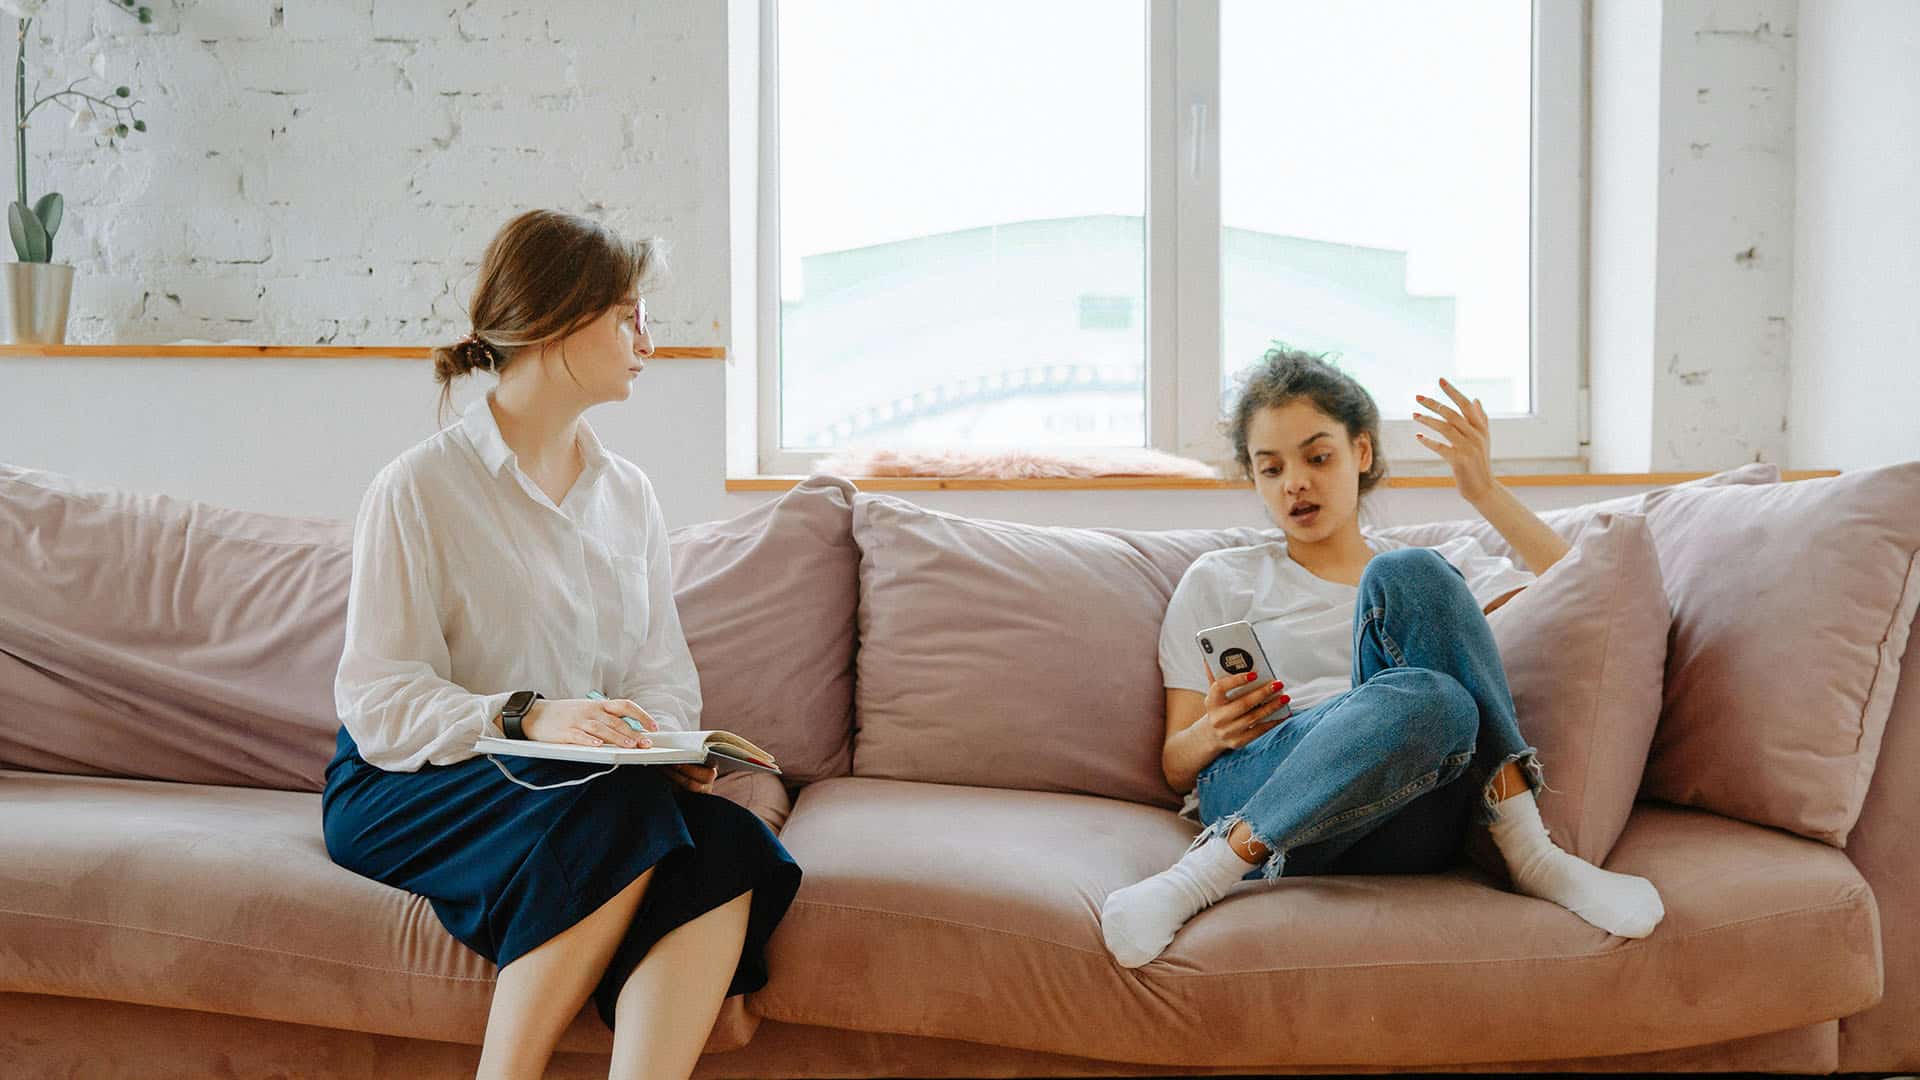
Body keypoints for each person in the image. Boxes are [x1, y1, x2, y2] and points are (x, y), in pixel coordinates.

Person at [320, 209, 800, 1079]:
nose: (647, 339)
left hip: (582, 785)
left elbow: (660, 669)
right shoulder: (418, 490)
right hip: (411, 778)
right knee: (615, 816)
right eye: (628, 315)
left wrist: (661, 743)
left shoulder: (630, 495)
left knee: (735, 846)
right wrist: (532, 718)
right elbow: (381, 700)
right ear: (555, 323)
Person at [1099, 346, 1664, 968]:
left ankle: (1531, 853)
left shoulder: (1429, 575)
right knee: (1432, 692)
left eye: (1318, 457)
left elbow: (1588, 589)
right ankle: (1201, 875)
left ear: (1360, 453)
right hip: (1266, 783)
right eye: (1270, 468)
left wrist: (1483, 489)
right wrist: (1214, 730)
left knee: (1427, 654)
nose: (1295, 483)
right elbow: (1177, 766)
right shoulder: (1221, 578)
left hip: (1409, 806)